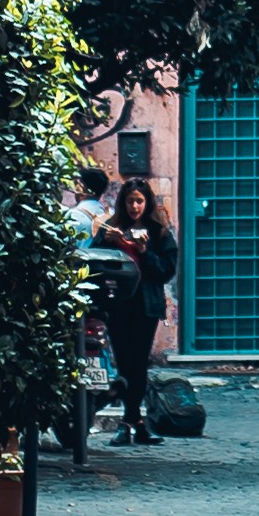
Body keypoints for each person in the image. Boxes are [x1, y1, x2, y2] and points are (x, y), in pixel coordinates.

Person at [92, 180, 179, 445]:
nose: (135, 206)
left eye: (139, 201)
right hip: (118, 305)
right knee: (124, 361)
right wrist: (107, 244)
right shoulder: (111, 228)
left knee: (139, 363)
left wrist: (144, 252)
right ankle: (135, 423)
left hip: (146, 306)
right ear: (123, 203)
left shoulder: (158, 232)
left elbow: (166, 271)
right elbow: (92, 262)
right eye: (130, 201)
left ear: (147, 202)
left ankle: (129, 422)